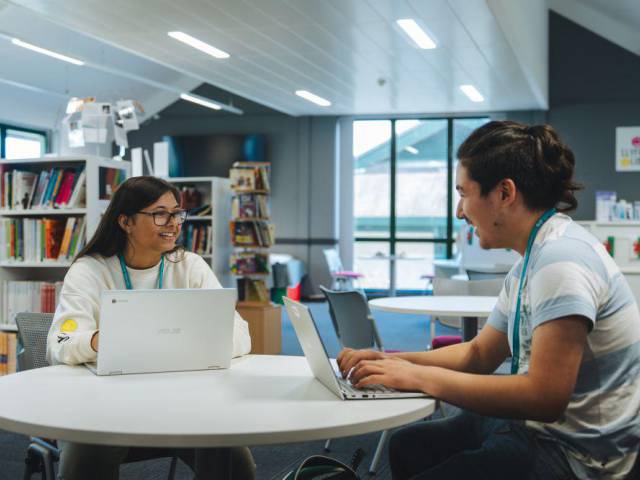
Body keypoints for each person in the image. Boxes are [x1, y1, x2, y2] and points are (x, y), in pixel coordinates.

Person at [337, 121, 640, 480]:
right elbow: (479, 354)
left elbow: (544, 397)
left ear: (504, 193)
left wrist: (419, 377)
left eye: (464, 193)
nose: (459, 211)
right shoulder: (534, 257)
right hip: (545, 429)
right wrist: (392, 361)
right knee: (407, 445)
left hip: (580, 456)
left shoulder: (561, 261)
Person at [46, 176, 255, 480]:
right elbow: (61, 343)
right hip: (105, 407)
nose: (173, 223)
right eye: (160, 214)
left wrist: (176, 346)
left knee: (236, 462)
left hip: (181, 402)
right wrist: (100, 341)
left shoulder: (189, 265)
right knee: (86, 457)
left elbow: (240, 334)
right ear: (126, 221)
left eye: (177, 213)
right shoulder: (90, 270)